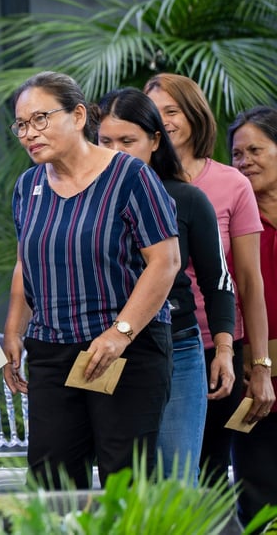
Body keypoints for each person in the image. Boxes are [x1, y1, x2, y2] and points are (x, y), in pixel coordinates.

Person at [3, 72, 179, 489]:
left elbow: (165, 262)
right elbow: (27, 260)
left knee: (126, 483)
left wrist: (120, 333)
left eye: (40, 119)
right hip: (51, 351)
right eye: (22, 125)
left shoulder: (130, 176)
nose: (30, 133)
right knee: (51, 483)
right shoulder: (28, 186)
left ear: (79, 115)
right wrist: (14, 328)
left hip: (124, 352)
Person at [95, 88, 235, 483]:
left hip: (179, 347)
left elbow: (217, 281)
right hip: (107, 350)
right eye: (106, 141)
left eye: (128, 141)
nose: (117, 152)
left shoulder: (186, 198)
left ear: (155, 141)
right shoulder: (81, 198)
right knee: (121, 479)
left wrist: (223, 349)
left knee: (175, 480)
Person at [144, 74, 275, 482]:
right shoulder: (129, 181)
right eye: (155, 113)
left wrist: (259, 364)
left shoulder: (230, 183)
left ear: (195, 115)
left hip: (211, 348)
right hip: (141, 344)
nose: (164, 122)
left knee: (211, 472)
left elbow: (250, 283)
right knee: (148, 471)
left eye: (173, 111)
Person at [228, 107, 277, 523]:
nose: (244, 161)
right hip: (249, 377)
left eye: (255, 150)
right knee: (257, 497)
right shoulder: (229, 221)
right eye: (237, 154)